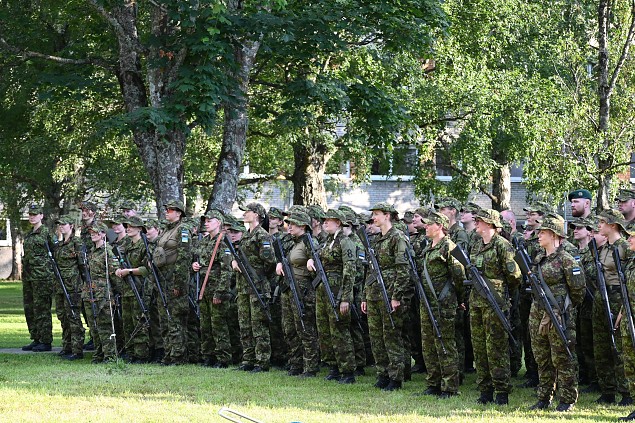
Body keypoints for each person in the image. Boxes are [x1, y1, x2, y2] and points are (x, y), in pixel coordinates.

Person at [528, 215, 585, 412]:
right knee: (542, 357)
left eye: (542, 233)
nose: (538, 236)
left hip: (559, 314)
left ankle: (567, 399)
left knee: (562, 357)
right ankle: (544, 397)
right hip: (538, 313)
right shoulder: (539, 258)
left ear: (553, 235)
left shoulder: (567, 260)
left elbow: (578, 290)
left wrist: (565, 309)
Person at [469, 209, 521, 405]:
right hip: (477, 302)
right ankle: (485, 390)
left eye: (479, 220)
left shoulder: (502, 245)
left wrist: (499, 290)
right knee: (480, 347)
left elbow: (514, 276)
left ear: (489, 224)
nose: (476, 223)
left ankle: (501, 391)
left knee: (496, 348)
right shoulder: (476, 245)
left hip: (495, 303)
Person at [361, 202, 410, 391]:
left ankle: (396, 377)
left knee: (392, 336)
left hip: (389, 293)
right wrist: (365, 296)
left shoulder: (397, 238)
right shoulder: (376, 239)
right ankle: (382, 374)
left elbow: (403, 269)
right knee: (376, 337)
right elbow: (370, 270)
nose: (374, 218)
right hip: (374, 294)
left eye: (377, 214)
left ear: (387, 215)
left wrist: (396, 296)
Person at [416, 211, 465, 398]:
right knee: (429, 344)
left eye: (429, 224)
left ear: (440, 226)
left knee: (445, 344)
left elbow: (459, 276)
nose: (425, 227)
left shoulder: (449, 247)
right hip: (427, 303)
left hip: (444, 304)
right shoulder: (428, 247)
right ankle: (433, 383)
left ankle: (449, 386)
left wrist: (458, 300)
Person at [308, 209, 357, 383]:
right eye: (324, 220)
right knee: (324, 329)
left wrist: (345, 298)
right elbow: (318, 257)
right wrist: (311, 260)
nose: (325, 223)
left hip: (336, 291)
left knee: (339, 330)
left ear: (339, 222)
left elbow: (350, 271)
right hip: (322, 289)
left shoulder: (345, 242)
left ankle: (347, 370)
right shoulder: (326, 241)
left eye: (329, 220)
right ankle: (333, 366)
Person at [593, 209, 631, 405]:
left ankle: (626, 392)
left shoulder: (624, 247)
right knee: (601, 345)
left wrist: (624, 308)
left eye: (602, 222)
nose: (598, 225)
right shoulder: (604, 246)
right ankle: (607, 390)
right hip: (602, 294)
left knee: (619, 346)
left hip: (617, 296)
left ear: (613, 225)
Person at [275, 211, 319, 377]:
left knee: (305, 328)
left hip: (303, 289)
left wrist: (311, 262)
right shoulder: (291, 242)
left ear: (303, 225)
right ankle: (295, 363)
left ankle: (310, 367)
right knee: (289, 328)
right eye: (289, 223)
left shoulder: (310, 242)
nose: (289, 226)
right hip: (288, 288)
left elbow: (317, 270)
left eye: (293, 223)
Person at [233, 202, 275, 372]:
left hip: (257, 285)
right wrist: (235, 263)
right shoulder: (245, 235)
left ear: (257, 214)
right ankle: (248, 359)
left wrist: (255, 273)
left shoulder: (262, 236)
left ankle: (262, 361)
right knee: (244, 324)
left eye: (247, 212)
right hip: (243, 286)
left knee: (258, 324)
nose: (244, 214)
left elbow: (270, 262)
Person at [153, 199, 192, 366]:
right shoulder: (165, 230)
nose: (167, 212)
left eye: (170, 210)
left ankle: (178, 356)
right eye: (166, 209)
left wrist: (179, 283)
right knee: (164, 319)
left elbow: (184, 258)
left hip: (174, 278)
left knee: (175, 318)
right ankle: (168, 353)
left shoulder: (183, 230)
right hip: (162, 279)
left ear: (179, 213)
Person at [192, 209, 232, 368]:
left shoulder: (223, 242)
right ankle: (208, 356)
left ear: (219, 222)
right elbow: (199, 260)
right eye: (205, 220)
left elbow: (226, 269)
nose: (206, 223)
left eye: (210, 220)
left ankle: (223, 357)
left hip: (216, 288)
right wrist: (194, 265)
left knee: (218, 324)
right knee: (205, 325)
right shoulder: (204, 240)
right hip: (203, 287)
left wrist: (221, 292)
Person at [113, 216, 150, 363]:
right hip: (126, 288)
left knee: (138, 321)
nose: (128, 228)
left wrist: (129, 271)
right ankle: (130, 353)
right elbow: (116, 260)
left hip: (139, 288)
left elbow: (147, 269)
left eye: (132, 226)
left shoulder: (144, 245)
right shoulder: (125, 245)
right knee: (127, 322)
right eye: (127, 226)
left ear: (140, 229)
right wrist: (118, 270)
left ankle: (141, 354)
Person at [84, 221, 120, 363]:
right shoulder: (92, 252)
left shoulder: (107, 252)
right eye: (91, 233)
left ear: (103, 234)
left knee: (105, 326)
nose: (93, 235)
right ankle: (98, 354)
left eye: (96, 232)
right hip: (90, 292)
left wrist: (115, 293)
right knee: (94, 326)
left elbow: (114, 273)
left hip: (103, 294)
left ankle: (109, 355)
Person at [21, 204, 55, 352]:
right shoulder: (29, 234)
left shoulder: (47, 233)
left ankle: (46, 341)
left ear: (41, 215)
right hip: (29, 276)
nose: (32, 217)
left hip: (42, 277)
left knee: (42, 308)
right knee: (30, 308)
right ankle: (36, 338)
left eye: (35, 214)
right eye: (30, 214)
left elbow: (54, 252)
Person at [53, 215, 86, 360]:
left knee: (73, 317)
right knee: (62, 316)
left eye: (64, 224)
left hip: (73, 286)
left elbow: (83, 266)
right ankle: (67, 346)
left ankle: (77, 350)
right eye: (59, 224)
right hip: (60, 286)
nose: (61, 226)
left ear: (71, 226)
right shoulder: (59, 245)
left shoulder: (77, 243)